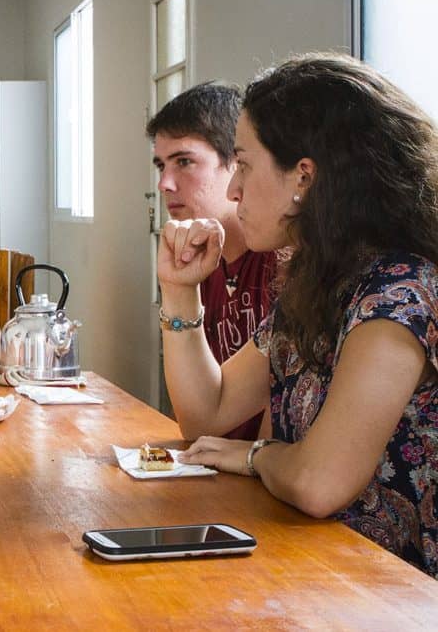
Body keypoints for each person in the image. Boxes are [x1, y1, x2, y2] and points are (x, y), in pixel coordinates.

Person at [159, 53, 438, 577]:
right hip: (317, 574)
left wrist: (255, 455)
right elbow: (206, 413)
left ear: (303, 177)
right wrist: (179, 291)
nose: (234, 189)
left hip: (396, 597)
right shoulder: (317, 286)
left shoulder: (399, 295)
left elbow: (318, 482)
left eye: (243, 164)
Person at [147, 82, 278, 438]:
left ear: (237, 163)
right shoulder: (197, 258)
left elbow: (284, 420)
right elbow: (192, 417)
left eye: (184, 162)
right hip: (211, 457)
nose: (164, 184)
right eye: (161, 166)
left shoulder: (284, 259)